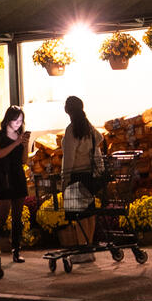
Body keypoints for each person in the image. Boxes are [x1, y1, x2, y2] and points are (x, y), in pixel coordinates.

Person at [57, 96, 103, 248]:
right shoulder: (88, 127)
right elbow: (100, 137)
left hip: (76, 176)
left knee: (79, 216)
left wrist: (64, 180)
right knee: (89, 214)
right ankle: (89, 246)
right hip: (90, 176)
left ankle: (83, 249)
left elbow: (69, 159)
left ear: (67, 110)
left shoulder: (71, 130)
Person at [0, 107, 29, 265]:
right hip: (3, 178)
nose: (18, 124)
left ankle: (17, 251)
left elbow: (24, 160)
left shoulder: (20, 135)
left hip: (18, 176)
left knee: (17, 217)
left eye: (21, 121)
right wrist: (16, 143)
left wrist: (24, 144)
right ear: (8, 119)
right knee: (2, 216)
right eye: (15, 120)